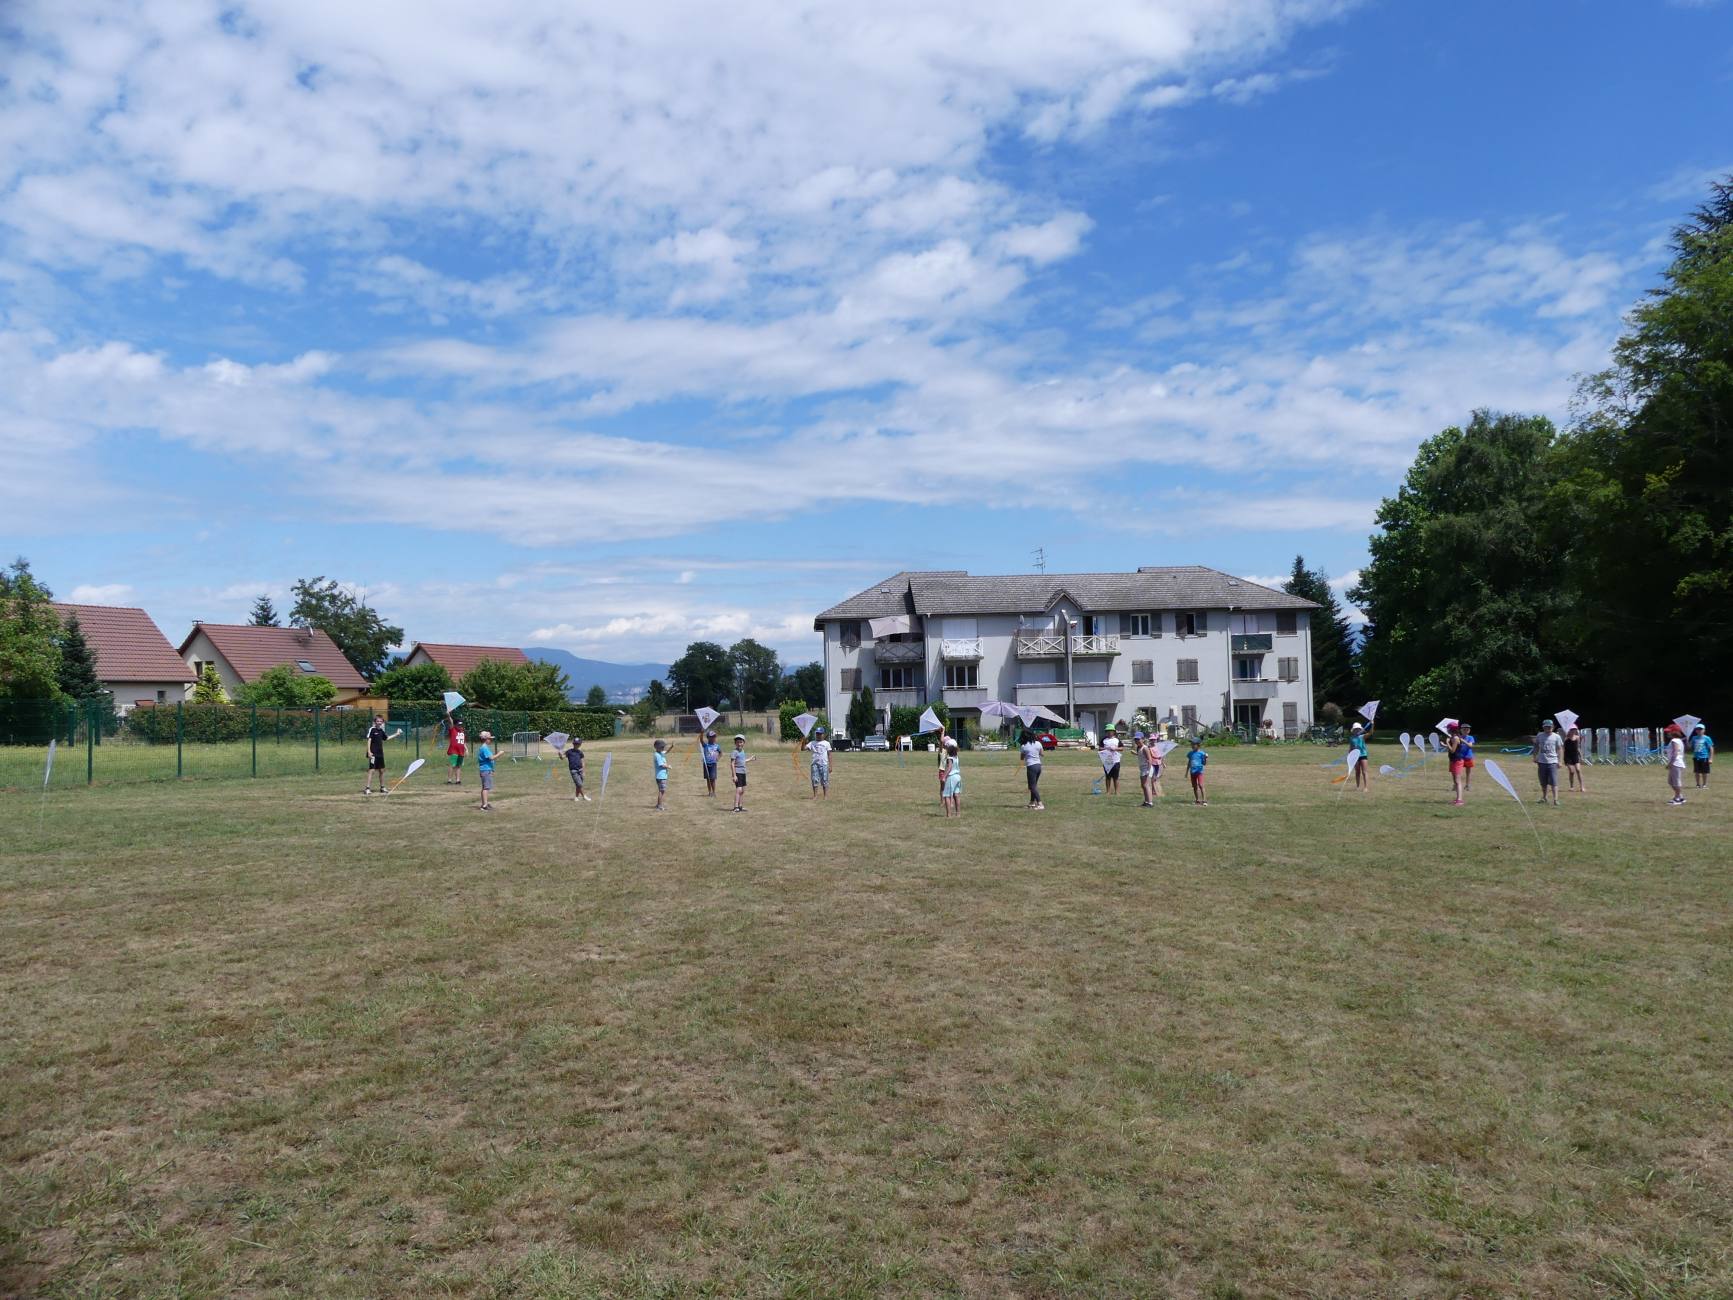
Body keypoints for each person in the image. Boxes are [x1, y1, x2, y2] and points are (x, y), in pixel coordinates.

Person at [1532, 719, 1562, 806]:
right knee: (1543, 781)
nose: (1548, 728)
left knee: (1554, 782)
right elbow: (1536, 746)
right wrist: (1534, 757)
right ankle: (1544, 797)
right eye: (1546, 727)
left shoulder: (1556, 737)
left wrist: (1560, 761)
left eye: (1550, 727)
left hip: (1552, 762)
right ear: (1543, 727)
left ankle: (1555, 799)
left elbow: (1560, 749)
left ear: (1553, 727)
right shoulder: (1540, 736)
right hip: (1541, 762)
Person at [1019, 729, 1045, 810]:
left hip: (1031, 767)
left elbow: (1022, 758)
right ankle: (1032, 803)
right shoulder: (1038, 743)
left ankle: (1040, 804)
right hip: (1038, 766)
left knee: (1032, 787)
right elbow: (1042, 754)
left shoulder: (1024, 746)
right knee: (1034, 785)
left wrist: (1025, 755)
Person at [363, 713, 388, 794]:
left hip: (380, 754)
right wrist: (369, 752)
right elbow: (369, 740)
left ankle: (382, 788)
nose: (379, 722)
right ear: (375, 722)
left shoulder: (381, 731)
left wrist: (396, 734)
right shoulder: (372, 729)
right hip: (373, 754)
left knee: (382, 771)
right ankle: (367, 788)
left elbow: (386, 738)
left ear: (382, 722)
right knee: (372, 770)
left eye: (381, 721)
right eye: (378, 721)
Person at [805, 725, 832, 799]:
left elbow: (829, 755)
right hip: (814, 764)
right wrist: (803, 740)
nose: (818, 735)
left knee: (825, 780)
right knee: (814, 779)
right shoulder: (812, 743)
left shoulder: (826, 743)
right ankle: (815, 796)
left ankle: (825, 796)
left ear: (823, 734)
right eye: (817, 733)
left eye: (820, 734)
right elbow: (803, 749)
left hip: (824, 764)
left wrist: (830, 766)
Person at [729, 733, 754, 812]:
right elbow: (732, 763)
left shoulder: (742, 751)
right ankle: (735, 807)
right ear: (735, 743)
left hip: (743, 773)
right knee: (738, 790)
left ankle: (740, 806)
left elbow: (743, 761)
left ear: (744, 743)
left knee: (743, 790)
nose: (739, 744)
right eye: (737, 742)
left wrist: (750, 759)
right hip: (738, 772)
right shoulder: (734, 752)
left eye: (741, 742)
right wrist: (734, 775)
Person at [1446, 723, 1469, 806]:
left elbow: (1452, 750)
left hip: (1457, 761)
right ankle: (1457, 799)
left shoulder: (1455, 738)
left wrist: (1447, 742)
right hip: (1453, 760)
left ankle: (1460, 800)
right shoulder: (1453, 738)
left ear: (1451, 729)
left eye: (1448, 729)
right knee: (1455, 781)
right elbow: (1451, 749)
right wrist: (1446, 744)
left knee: (1457, 781)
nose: (1447, 730)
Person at [1665, 725, 1688, 805]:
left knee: (1676, 781)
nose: (1667, 733)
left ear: (1674, 732)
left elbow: (1675, 752)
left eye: (1669, 731)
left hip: (1676, 763)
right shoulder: (1678, 740)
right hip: (1676, 763)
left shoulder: (1675, 740)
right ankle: (1680, 797)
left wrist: (1670, 763)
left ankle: (1677, 798)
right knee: (1670, 781)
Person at [940, 736, 962, 816]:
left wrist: (944, 776)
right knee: (956, 795)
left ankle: (949, 815)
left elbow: (949, 767)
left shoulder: (950, 758)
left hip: (951, 777)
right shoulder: (956, 757)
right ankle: (958, 814)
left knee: (947, 796)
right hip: (958, 777)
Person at [476, 730, 496, 811]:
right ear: (486, 739)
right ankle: (484, 805)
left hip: (486, 770)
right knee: (486, 788)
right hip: (485, 770)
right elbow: (491, 758)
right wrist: (500, 753)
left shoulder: (484, 747)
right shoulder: (484, 748)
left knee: (485, 787)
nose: (490, 740)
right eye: (489, 739)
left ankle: (485, 803)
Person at [1099, 725, 1122, 795]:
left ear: (1113, 732)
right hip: (1107, 760)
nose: (1109, 732)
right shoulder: (1104, 740)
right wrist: (1107, 748)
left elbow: (1121, 748)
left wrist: (1115, 749)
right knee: (1108, 776)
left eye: (1110, 731)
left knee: (1116, 777)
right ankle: (1108, 791)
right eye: (1108, 731)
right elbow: (1100, 748)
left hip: (1116, 760)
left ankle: (1117, 791)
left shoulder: (1117, 740)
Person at [1563, 725, 1587, 794]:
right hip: (1568, 756)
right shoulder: (1566, 738)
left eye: (1575, 729)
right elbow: (1563, 748)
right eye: (1572, 729)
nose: (1573, 730)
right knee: (1572, 771)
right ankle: (1571, 786)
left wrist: (1581, 756)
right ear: (1569, 730)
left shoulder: (1577, 738)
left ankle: (1582, 787)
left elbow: (1578, 747)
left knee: (1578, 770)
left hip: (1575, 755)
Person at [1691, 724, 1714, 790]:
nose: (1699, 730)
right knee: (1697, 772)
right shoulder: (1694, 738)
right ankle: (1698, 784)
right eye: (1697, 729)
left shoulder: (1707, 738)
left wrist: (1711, 758)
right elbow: (1689, 746)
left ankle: (1704, 785)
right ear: (1696, 730)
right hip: (1696, 757)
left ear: (1704, 730)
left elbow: (1711, 748)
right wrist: (1687, 742)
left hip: (1704, 757)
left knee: (1705, 772)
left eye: (1701, 729)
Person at [445, 715, 467, 785]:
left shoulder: (462, 732)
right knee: (452, 765)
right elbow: (451, 722)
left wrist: (466, 749)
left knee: (458, 766)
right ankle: (449, 780)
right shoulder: (453, 730)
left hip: (461, 751)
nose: (460, 726)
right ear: (455, 725)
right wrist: (448, 715)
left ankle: (458, 780)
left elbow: (463, 741)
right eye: (458, 725)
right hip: (454, 751)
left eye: (461, 725)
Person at [1349, 722, 1370, 792]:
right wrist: (1350, 756)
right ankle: (1357, 786)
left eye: (1358, 729)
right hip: (1355, 756)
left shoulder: (1362, 736)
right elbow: (1351, 748)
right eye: (1355, 729)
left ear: (1360, 730)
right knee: (1357, 772)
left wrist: (1372, 724)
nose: (1357, 730)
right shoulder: (1351, 738)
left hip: (1363, 755)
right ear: (1353, 730)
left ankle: (1366, 787)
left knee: (1364, 772)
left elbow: (1371, 733)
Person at [565, 736, 588, 801]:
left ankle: (576, 797)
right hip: (573, 771)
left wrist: (583, 771)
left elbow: (583, 762)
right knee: (579, 784)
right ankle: (584, 796)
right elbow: (562, 757)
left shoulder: (580, 752)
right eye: (575, 744)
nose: (576, 745)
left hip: (580, 770)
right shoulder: (569, 752)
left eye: (578, 744)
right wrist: (560, 754)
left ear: (580, 744)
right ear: (573, 744)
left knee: (578, 785)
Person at [1186, 738, 1208, 805]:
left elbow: (1204, 763)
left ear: (1198, 745)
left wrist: (1205, 758)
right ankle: (1197, 800)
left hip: (1199, 772)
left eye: (1193, 744)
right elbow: (1189, 762)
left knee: (1201, 785)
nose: (1192, 745)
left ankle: (1204, 800)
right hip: (1192, 772)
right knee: (1194, 786)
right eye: (1191, 744)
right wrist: (1186, 772)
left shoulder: (1201, 753)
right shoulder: (1190, 753)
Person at [1135, 729, 1154, 806]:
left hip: (1147, 768)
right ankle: (1146, 801)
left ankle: (1150, 802)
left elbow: (1150, 759)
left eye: (1138, 739)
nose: (1137, 741)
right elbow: (1141, 756)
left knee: (1146, 785)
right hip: (1142, 768)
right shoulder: (1138, 748)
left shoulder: (1145, 748)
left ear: (1143, 739)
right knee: (1143, 785)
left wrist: (1148, 771)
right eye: (1135, 739)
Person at [700, 730, 722, 797]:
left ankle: (714, 792)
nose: (712, 738)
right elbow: (701, 740)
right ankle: (709, 792)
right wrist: (701, 733)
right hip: (706, 764)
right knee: (708, 779)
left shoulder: (717, 746)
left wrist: (718, 758)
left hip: (713, 764)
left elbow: (720, 752)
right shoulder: (705, 745)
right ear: (708, 737)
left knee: (713, 778)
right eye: (711, 737)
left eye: (714, 737)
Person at [652, 739, 669, 811]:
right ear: (656, 747)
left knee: (661, 790)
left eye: (663, 747)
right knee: (662, 791)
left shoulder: (660, 753)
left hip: (661, 776)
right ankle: (659, 806)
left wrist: (672, 747)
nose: (663, 748)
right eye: (661, 747)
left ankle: (658, 804)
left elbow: (667, 752)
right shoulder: (657, 755)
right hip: (661, 776)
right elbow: (661, 765)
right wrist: (668, 766)